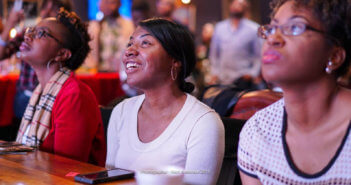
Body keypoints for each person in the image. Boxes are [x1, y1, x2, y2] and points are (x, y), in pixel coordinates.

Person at [238, 0, 351, 184]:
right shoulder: (257, 131)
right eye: (272, 29)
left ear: (334, 56)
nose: (273, 39)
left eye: (295, 27)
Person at [106, 18, 225, 185]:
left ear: (175, 60)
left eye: (145, 43)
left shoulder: (203, 123)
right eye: (130, 44)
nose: (129, 51)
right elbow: (109, 180)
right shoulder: (121, 111)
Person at [15, 8, 106, 166]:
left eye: (41, 33)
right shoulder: (40, 93)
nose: (28, 36)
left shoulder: (74, 95)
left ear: (62, 54)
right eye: (31, 31)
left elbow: (66, 170)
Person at [209, 0, 262, 86]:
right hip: (223, 78)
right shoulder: (220, 27)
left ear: (246, 8)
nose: (237, 6)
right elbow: (214, 54)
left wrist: (252, 73)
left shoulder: (253, 29)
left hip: (243, 78)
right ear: (230, 6)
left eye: (240, 4)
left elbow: (259, 55)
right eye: (235, 4)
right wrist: (215, 72)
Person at [84, 0, 134, 72]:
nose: (109, 6)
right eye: (106, 2)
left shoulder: (129, 25)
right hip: (99, 72)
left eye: (112, 2)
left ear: (119, 4)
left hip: (122, 71)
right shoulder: (94, 26)